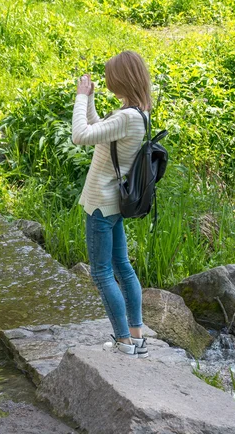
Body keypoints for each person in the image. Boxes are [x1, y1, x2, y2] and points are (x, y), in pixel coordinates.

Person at [72, 50, 152, 358]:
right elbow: (97, 132)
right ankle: (136, 336)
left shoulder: (127, 118)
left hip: (101, 205)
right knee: (122, 267)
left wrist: (80, 97)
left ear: (121, 79)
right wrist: (89, 99)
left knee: (102, 272)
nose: (106, 80)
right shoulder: (135, 114)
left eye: (109, 76)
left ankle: (122, 342)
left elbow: (80, 135)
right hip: (114, 203)